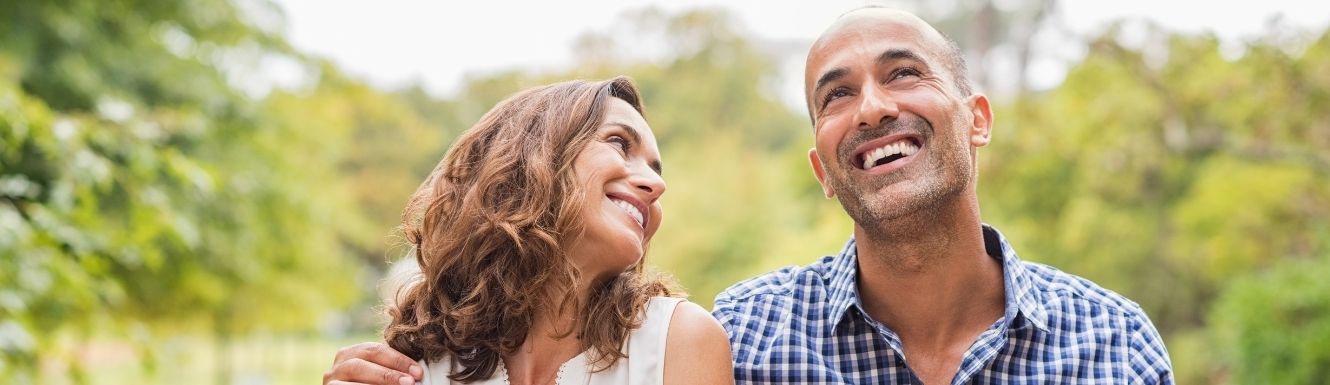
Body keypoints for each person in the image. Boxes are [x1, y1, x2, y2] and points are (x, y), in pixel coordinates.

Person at [325, 7, 1173, 385]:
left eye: (903, 75)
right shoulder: (750, 332)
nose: (872, 106)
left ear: (976, 119)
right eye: (836, 95)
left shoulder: (1114, 342)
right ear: (822, 164)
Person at [324, 77, 733, 385]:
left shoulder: (678, 341)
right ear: (533, 160)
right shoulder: (421, 352)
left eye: (656, 169)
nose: (655, 184)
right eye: (619, 144)